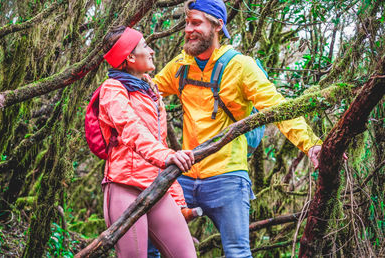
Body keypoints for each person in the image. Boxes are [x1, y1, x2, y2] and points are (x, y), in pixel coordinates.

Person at [152, 0, 323, 257]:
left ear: (218, 25)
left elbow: (277, 107)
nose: (188, 29)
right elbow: (148, 92)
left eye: (196, 22)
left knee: (237, 252)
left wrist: (310, 143)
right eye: (187, 23)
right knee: (150, 241)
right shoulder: (180, 66)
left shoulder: (240, 66)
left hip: (228, 177)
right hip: (185, 174)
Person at [99, 25, 197, 258]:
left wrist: (177, 199)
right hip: (124, 188)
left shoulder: (150, 89)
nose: (152, 51)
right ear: (130, 57)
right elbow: (131, 129)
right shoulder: (112, 89)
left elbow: (159, 142)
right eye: (145, 46)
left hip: (156, 188)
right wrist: (166, 157)